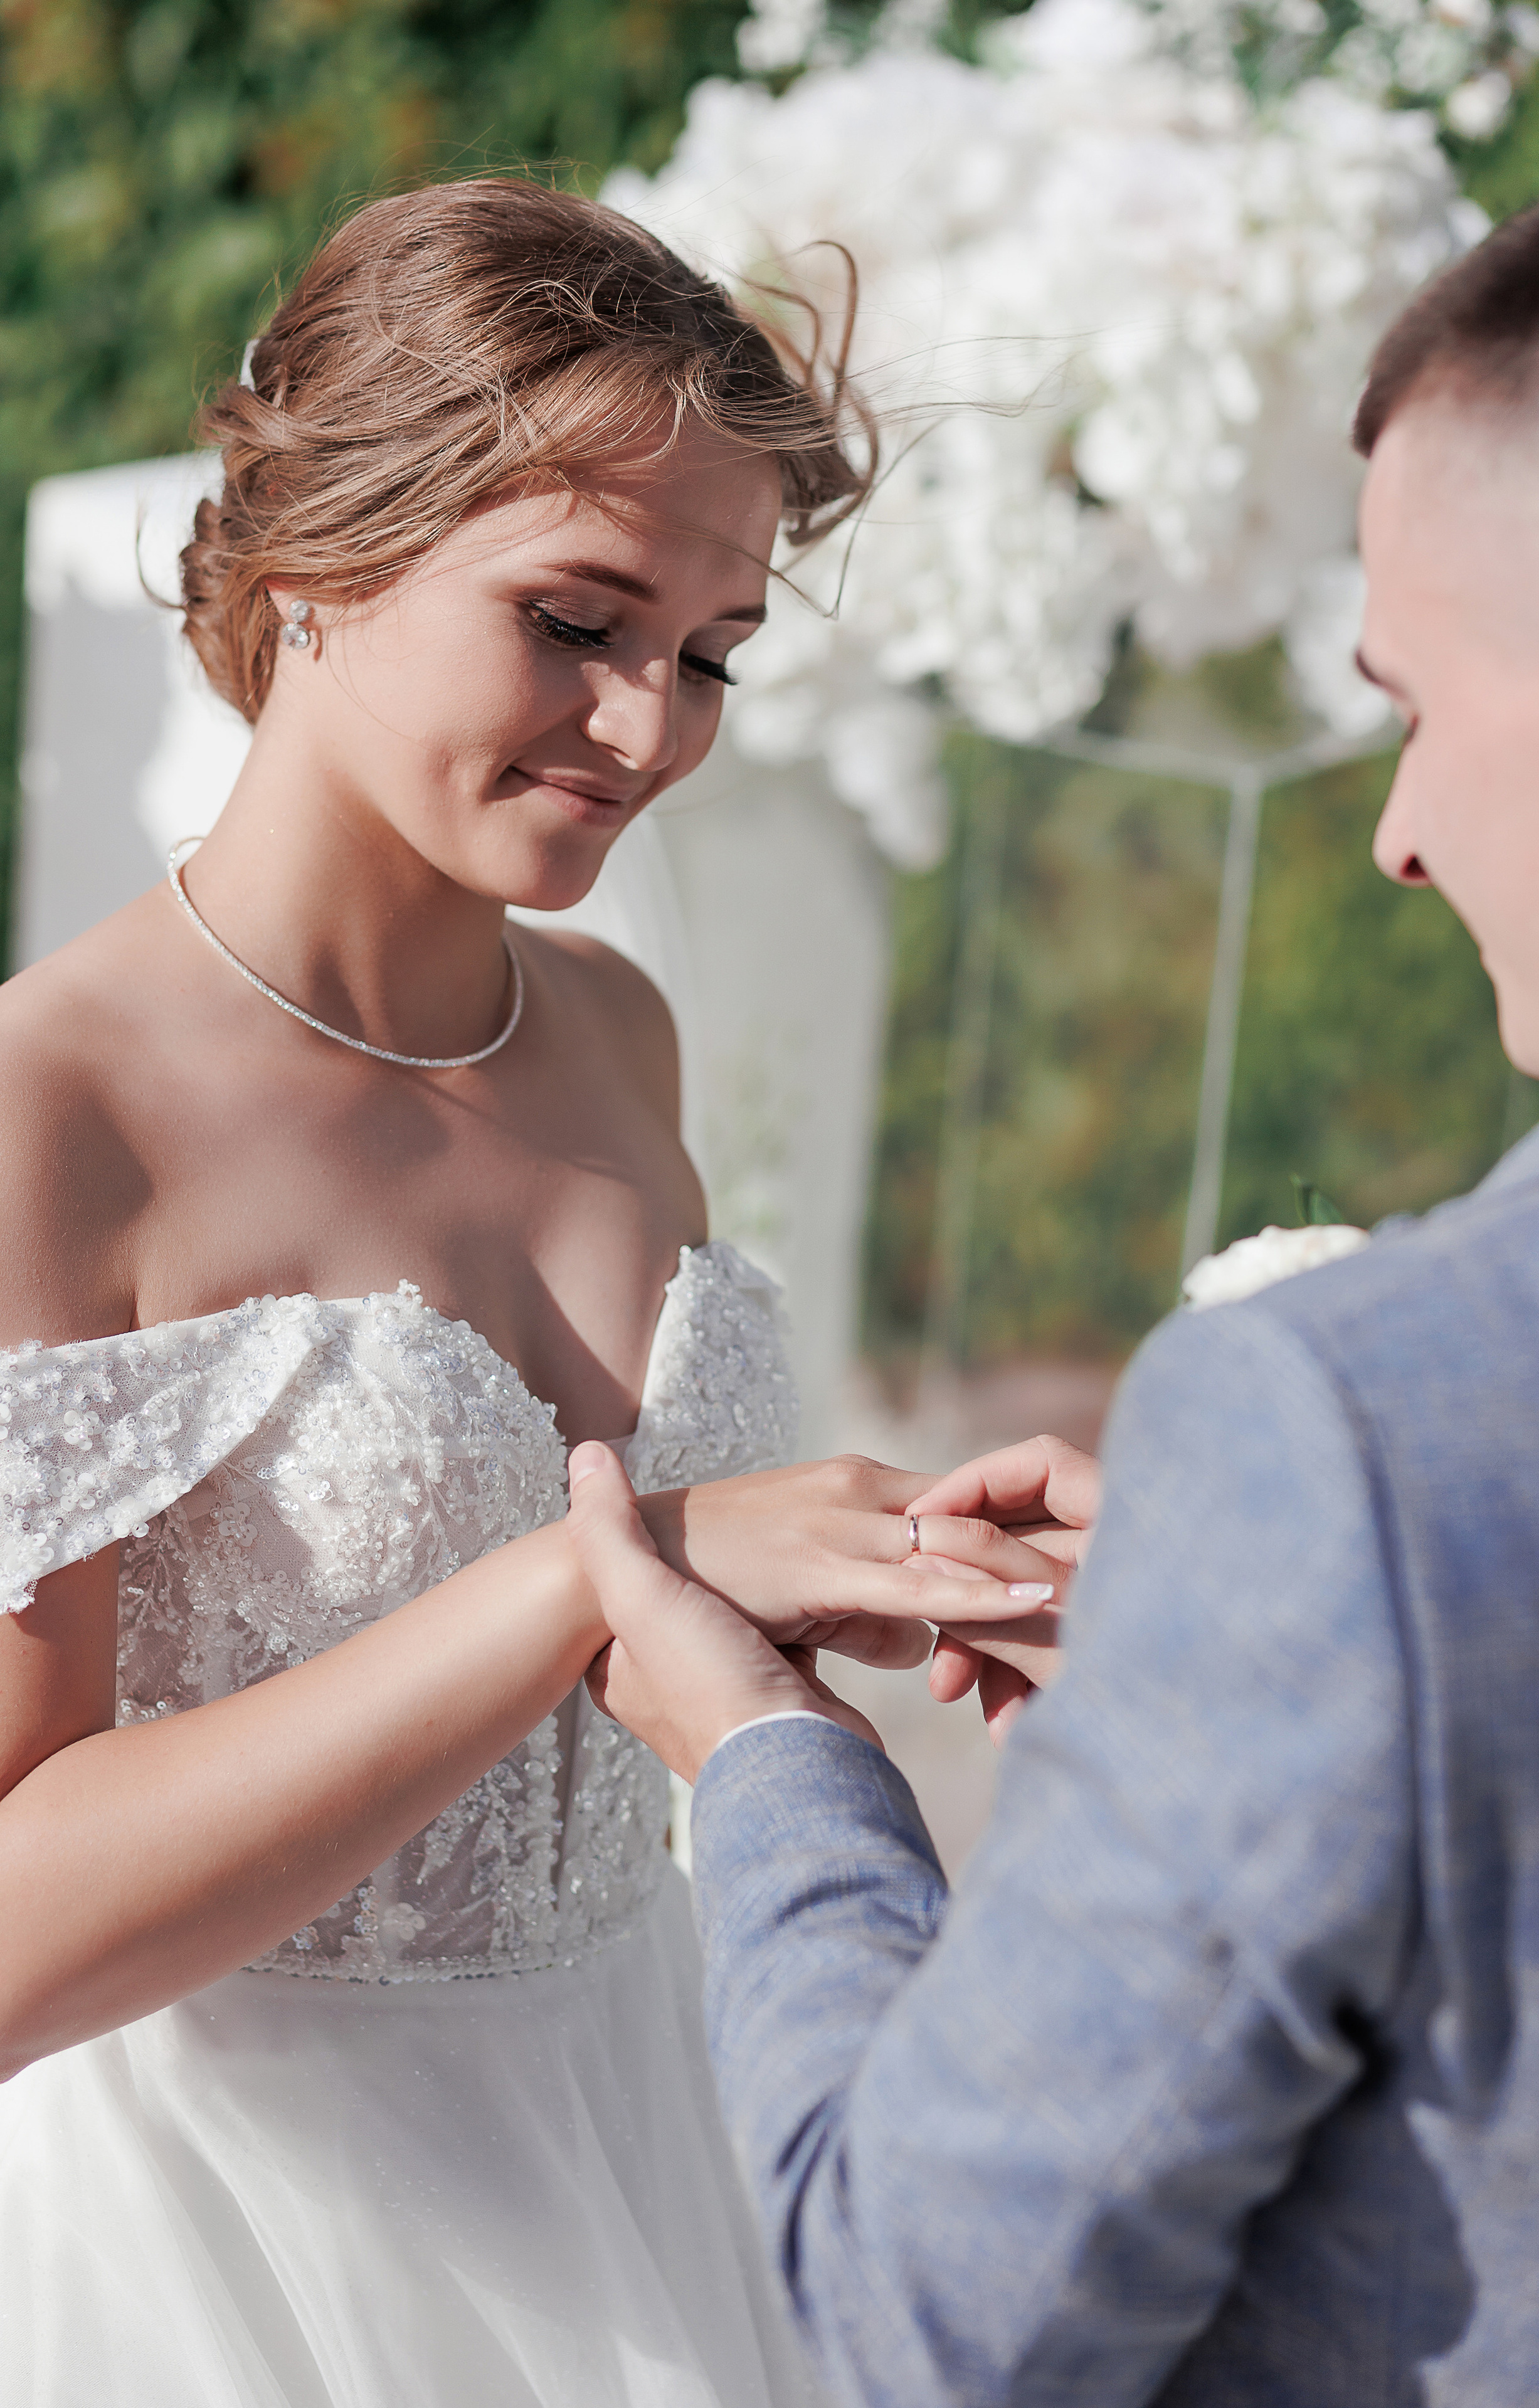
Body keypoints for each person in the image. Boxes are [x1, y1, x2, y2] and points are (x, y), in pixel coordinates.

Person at [563, 171, 1539, 2407]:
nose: (1399, 829)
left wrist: (763, 1764)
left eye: (1411, 701)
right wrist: (1259, 1634)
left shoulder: (1358, 1423)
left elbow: (923, 2324)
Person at [0, 178, 1041, 2407]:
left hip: (655, 2144)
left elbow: (627, 1657)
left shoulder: (616, 1035)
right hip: (242, 2260)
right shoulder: (44, 1111)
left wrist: (895, 1562)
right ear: (322, 559)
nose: (652, 727)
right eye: (578, 618)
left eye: (717, 652)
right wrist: (622, 1572)